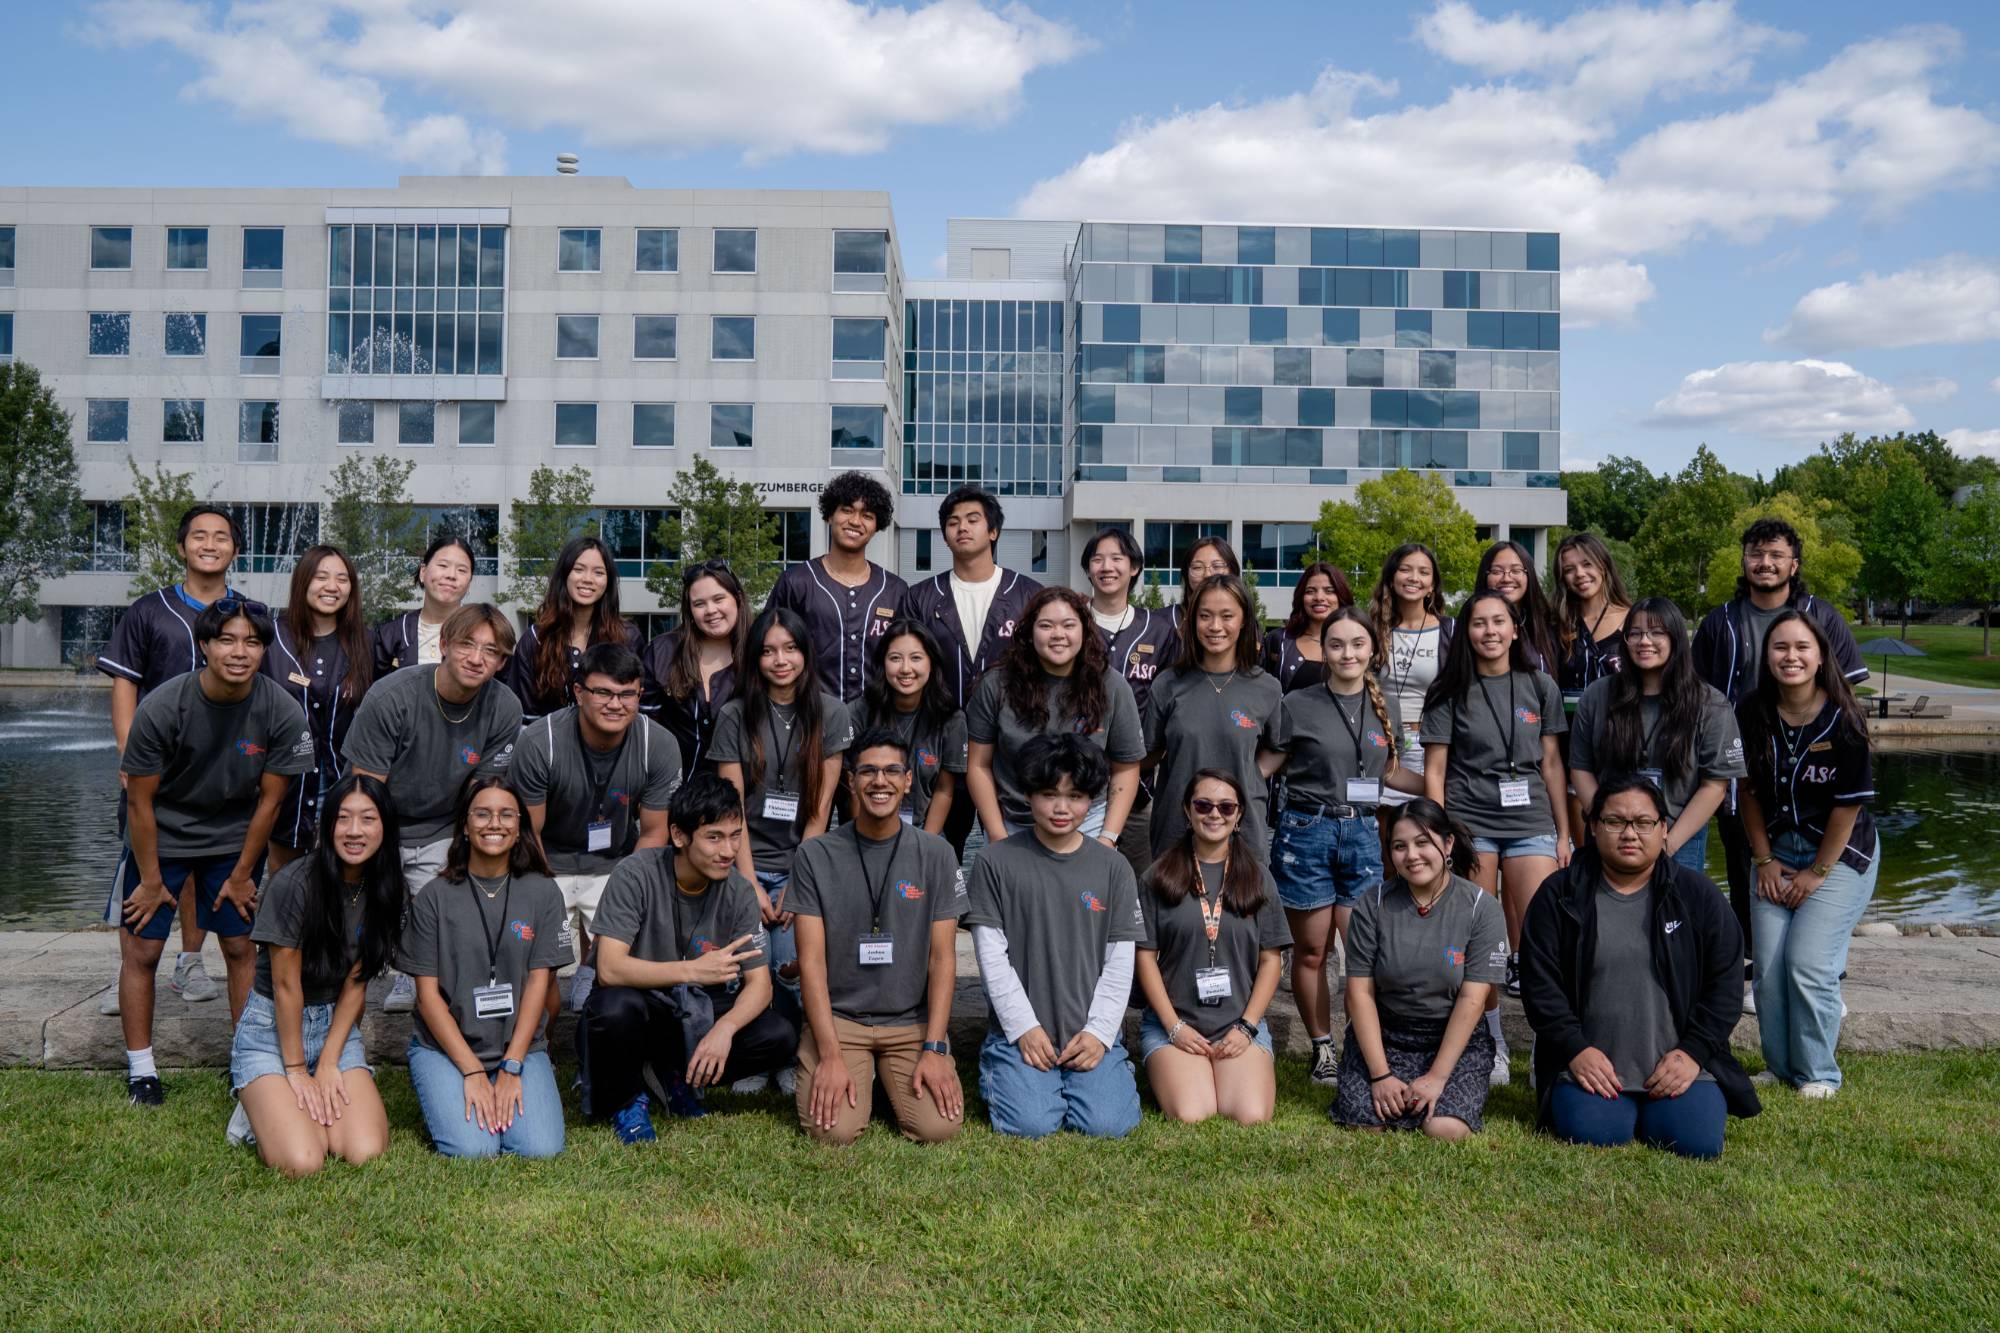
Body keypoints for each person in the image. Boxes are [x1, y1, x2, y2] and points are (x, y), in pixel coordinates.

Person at [116, 597, 316, 1105]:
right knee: (143, 950)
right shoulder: (162, 707)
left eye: (251, 641)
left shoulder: (282, 711)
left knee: (240, 947)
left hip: (232, 837)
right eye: (226, 639)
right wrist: (151, 879)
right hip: (158, 834)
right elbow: (138, 802)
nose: (239, 651)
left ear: (263, 650)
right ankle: (141, 1069)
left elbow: (271, 802)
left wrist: (245, 874)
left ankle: (244, 1061)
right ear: (204, 645)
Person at [1521, 776, 1760, 1157]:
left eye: (1643, 822)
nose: (1629, 833)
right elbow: (1539, 985)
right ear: (1594, 827)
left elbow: (1725, 985)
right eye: (1615, 822)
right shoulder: (1559, 895)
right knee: (1595, 1132)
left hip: (1679, 1065)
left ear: (1664, 829)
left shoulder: (1698, 896)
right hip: (1589, 1065)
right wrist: (1575, 1049)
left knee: (1693, 1141)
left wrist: (1693, 1053)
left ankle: (1677, 1093)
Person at [1692, 518, 1869, 988]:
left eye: (1775, 554)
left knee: (1820, 865)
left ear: (1794, 562)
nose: (1764, 563)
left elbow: (1849, 696)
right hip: (1739, 771)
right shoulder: (1720, 622)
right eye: (1755, 553)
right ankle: (1757, 962)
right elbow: (1698, 696)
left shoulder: (1822, 617)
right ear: (1743, 561)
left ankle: (1825, 963)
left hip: (1813, 767)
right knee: (1745, 862)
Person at [581, 774, 799, 1141]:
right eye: (714, 837)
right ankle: (627, 1098)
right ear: (679, 836)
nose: (728, 851)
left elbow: (760, 986)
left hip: (694, 1014)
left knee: (777, 1035)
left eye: (735, 835)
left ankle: (673, 1079)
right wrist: (694, 970)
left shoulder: (740, 891)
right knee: (615, 1008)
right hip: (641, 1009)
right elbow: (610, 967)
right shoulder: (635, 874)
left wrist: (724, 1031)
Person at [1258, 608, 1421, 1084]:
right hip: (1307, 832)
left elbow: (1388, 772)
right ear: (1323, 650)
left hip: (1365, 833)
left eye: (1356, 644)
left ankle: (1362, 1043)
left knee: (1364, 950)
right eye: (1336, 645)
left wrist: (1438, 787)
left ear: (1373, 649)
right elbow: (1267, 764)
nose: (1347, 653)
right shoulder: (1298, 702)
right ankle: (1322, 1048)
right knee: (1312, 952)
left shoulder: (1385, 700)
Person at [96, 503, 247, 1011]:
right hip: (154, 768)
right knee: (143, 864)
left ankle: (189, 963)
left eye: (221, 536)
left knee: (202, 868)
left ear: (235, 549)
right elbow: (126, 683)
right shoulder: (148, 610)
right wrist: (126, 751)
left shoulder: (245, 615)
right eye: (199, 535)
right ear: (182, 547)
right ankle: (132, 973)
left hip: (220, 773)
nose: (210, 544)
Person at [790, 728, 969, 1145]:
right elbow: (811, 962)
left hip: (910, 1020)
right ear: (850, 781)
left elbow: (943, 959)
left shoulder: (937, 854)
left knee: (938, 1128)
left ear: (908, 781)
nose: (879, 781)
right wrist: (830, 1055)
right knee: (831, 1133)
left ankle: (889, 1080)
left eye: (892, 771)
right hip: (842, 1020)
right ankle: (853, 1071)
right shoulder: (815, 856)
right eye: (867, 771)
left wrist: (935, 1048)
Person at [343, 602, 522, 1012]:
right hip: (374, 821)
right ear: (443, 644)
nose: (477, 659)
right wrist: (383, 862)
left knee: (441, 914)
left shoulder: (505, 708)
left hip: (442, 825)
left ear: (501, 661)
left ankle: (413, 973)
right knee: (358, 924)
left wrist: (466, 852)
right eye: (466, 645)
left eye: (491, 651)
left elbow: (481, 794)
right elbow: (364, 792)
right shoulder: (393, 696)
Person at [1421, 589, 1569, 1084]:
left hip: (1530, 825)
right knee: (1481, 944)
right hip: (1470, 826)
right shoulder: (1448, 691)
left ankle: (1547, 1042)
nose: (1489, 631)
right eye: (1478, 623)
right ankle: (1492, 1042)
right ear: (1466, 632)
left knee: (1541, 938)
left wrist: (1563, 832)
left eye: (1498, 622)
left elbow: (1551, 763)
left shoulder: (1540, 685)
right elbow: (1436, 770)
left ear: (1514, 629)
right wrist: (1442, 837)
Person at [965, 735, 1145, 1140]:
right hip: (1021, 1031)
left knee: (1108, 1125)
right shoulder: (995, 862)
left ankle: (1104, 1067)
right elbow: (992, 958)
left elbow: (1120, 959)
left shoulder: (1114, 868)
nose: (1062, 808)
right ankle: (1005, 1068)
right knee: (1030, 1124)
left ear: (1092, 801)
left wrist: (1100, 1033)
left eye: (1076, 796)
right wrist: (1023, 1027)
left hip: (1090, 1027)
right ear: (1028, 795)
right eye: (1049, 794)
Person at [1736, 609, 1879, 1099]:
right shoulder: (1751, 710)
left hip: (1838, 854)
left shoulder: (1845, 717)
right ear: (1767, 657)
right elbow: (1748, 791)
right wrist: (1763, 860)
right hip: (1774, 851)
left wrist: (1817, 873)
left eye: (1801, 648)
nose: (1790, 656)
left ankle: (1819, 1073)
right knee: (1770, 969)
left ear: (1821, 657)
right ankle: (1781, 1067)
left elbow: (1847, 807)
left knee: (1809, 964)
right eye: (1780, 648)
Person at [228, 774, 403, 1175]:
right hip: (272, 1029)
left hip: (334, 1030)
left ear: (385, 827)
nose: (354, 831)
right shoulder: (294, 884)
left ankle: (286, 1108)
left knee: (364, 1151)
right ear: (327, 826)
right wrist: (295, 1070)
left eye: (368, 819)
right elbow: (287, 986)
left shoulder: (387, 889)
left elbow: (357, 983)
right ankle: (256, 1106)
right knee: (305, 1160)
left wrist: (327, 1063)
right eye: (343, 819)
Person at [712, 606, 854, 1081]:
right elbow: (732, 809)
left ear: (806, 654)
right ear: (755, 658)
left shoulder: (831, 713)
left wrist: (799, 878)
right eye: (769, 650)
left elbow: (821, 807)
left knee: (791, 968)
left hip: (803, 865)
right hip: (742, 862)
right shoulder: (735, 714)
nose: (781, 660)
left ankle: (795, 1053)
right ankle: (759, 1056)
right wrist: (748, 880)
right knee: (753, 967)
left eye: (790, 648)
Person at [401, 777, 572, 1159]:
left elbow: (538, 986)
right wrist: (474, 1073)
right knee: (473, 1151)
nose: (494, 823)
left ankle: (511, 1085)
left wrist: (511, 1067)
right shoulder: (433, 898)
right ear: (464, 824)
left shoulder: (544, 893)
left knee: (540, 1149)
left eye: (506, 814)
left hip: (519, 1049)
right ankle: (459, 1087)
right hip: (446, 1049)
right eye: (482, 813)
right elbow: (427, 999)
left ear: (519, 827)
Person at [513, 642, 682, 1015]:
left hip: (616, 861)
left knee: (627, 956)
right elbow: (529, 834)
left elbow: (654, 832)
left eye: (627, 694)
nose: (615, 704)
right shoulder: (542, 742)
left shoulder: (658, 744)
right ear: (579, 692)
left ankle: (597, 986)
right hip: (547, 860)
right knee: (530, 950)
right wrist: (544, 898)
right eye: (603, 692)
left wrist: (626, 893)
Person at [1331, 799, 1504, 1140]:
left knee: (1445, 1129)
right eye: (1400, 846)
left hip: (1454, 1041)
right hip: (1386, 1035)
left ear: (1448, 843)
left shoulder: (1482, 908)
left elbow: (1473, 999)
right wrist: (1380, 1076)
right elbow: (1360, 994)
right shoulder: (1373, 903)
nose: (1411, 855)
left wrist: (1438, 1077)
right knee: (1367, 1122)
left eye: (1422, 842)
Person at [1135, 771, 1289, 1125]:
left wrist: (1248, 1027)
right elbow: (1144, 957)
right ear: (1187, 812)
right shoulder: (1157, 876)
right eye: (1203, 805)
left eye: (1226, 806)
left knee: (1251, 1115)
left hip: (1237, 1023)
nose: (1214, 814)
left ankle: (1223, 1066)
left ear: (1238, 816)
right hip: (1175, 1022)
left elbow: (1270, 959)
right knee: (1193, 1113)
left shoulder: (1259, 877)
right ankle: (1183, 1066)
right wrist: (1174, 1027)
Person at [899, 485, 1041, 855]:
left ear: (993, 531)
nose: (962, 527)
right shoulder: (921, 598)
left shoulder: (1029, 596)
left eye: (973, 520)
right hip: (938, 743)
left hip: (1009, 748)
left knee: (1017, 851)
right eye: (952, 522)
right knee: (936, 854)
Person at [1571, 598, 1744, 872]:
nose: (1644, 641)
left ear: (1675, 638)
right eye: (1635, 633)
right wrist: (1606, 824)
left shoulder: (1710, 704)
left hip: (1679, 840)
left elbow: (1714, 786)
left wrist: (1668, 844)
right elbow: (1580, 769)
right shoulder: (1597, 696)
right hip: (1609, 839)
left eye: (1657, 632)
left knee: (1673, 914)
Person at [966, 586, 1143, 845]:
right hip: (1014, 822)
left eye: (1069, 625)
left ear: (1084, 630)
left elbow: (1126, 768)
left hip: (1088, 822)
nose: (1058, 635)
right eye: (1046, 626)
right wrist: (996, 834)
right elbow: (978, 765)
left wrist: (1108, 837)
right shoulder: (997, 684)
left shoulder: (1111, 686)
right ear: (1029, 632)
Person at [1145, 574, 1280, 861]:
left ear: (1244, 620)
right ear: (1193, 621)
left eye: (1226, 615)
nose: (1215, 626)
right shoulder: (1168, 684)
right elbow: (1148, 752)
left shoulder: (1266, 687)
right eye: (1205, 616)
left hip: (1243, 830)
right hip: (1177, 830)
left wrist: (1251, 773)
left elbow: (1279, 747)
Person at [261, 545, 372, 870]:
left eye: (342, 578)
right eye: (321, 576)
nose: (332, 586)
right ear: (303, 581)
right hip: (285, 785)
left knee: (339, 884)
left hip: (344, 784)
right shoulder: (272, 639)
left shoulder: (366, 642)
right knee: (285, 886)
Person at [1081, 526, 1179, 877]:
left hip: (1139, 783)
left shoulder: (1160, 628)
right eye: (1097, 559)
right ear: (1088, 569)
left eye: (1117, 558)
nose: (1107, 567)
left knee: (1137, 885)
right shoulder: (1069, 621)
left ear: (1134, 567)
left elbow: (1171, 702)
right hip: (1074, 780)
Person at [768, 471, 909, 703]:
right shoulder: (796, 582)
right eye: (846, 510)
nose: (855, 521)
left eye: (867, 515)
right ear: (829, 516)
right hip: (810, 719)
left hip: (877, 723)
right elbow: (769, 646)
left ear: (877, 525)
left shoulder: (895, 590)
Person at [504, 535, 643, 722]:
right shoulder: (536, 639)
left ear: (608, 582)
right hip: (547, 745)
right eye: (578, 569)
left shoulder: (627, 638)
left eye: (598, 573)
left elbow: (632, 706)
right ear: (564, 575)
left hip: (609, 747)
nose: (587, 579)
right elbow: (524, 716)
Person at [1370, 543, 1454, 850]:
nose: (1413, 577)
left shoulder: (1450, 632)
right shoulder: (1373, 629)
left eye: (1423, 572)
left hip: (1432, 746)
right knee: (1387, 847)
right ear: (1391, 578)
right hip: (1384, 745)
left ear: (1432, 585)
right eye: (1405, 569)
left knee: (1427, 841)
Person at [640, 560, 745, 781]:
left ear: (737, 598)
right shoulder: (662, 652)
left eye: (718, 599)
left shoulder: (760, 651)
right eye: (699, 604)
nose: (711, 611)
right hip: (672, 791)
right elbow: (643, 730)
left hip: (741, 794)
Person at [860, 619, 966, 834]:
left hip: (924, 830)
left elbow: (944, 790)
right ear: (883, 663)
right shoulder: (861, 712)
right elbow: (853, 787)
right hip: (869, 830)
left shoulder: (951, 719)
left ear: (931, 663)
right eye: (895, 658)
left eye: (916, 658)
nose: (906, 669)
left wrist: (924, 844)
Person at [371, 534, 475, 676]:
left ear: (469, 583)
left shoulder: (481, 631)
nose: (451, 575)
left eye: (462, 570)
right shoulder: (390, 635)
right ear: (423, 572)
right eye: (443, 565)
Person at [1553, 533, 1632, 693]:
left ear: (1603, 566)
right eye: (1569, 569)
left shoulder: (1633, 620)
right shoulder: (1557, 624)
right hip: (1569, 717)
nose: (1580, 574)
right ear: (1563, 579)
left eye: (1587, 564)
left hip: (1621, 716)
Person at [1260, 563, 1352, 693]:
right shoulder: (1279, 639)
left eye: (1329, 591)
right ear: (1301, 598)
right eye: (1310, 591)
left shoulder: (1357, 643)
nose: (1319, 598)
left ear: (1341, 596)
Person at [1475, 539, 1560, 674]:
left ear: (1529, 575)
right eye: (1497, 571)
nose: (1507, 578)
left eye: (1516, 570)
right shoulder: (1470, 627)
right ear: (1484, 576)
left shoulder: (1548, 625)